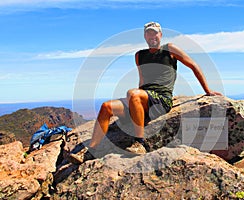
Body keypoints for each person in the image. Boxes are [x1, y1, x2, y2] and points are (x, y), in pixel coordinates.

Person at [69, 21, 222, 164]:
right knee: (106, 107)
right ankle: (92, 150)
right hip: (143, 98)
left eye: (155, 33)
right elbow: (142, 81)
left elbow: (194, 66)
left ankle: (139, 142)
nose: (152, 37)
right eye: (149, 34)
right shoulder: (139, 55)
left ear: (160, 35)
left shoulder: (169, 49)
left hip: (162, 100)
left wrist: (207, 91)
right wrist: (136, 106)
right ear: (145, 36)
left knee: (133, 93)